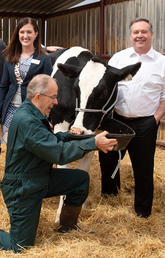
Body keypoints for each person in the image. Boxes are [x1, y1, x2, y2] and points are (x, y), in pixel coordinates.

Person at [0, 74, 117, 253]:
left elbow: (48, 140)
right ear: (38, 97)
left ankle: (68, 226)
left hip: (38, 178)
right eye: (53, 97)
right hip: (22, 188)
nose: (56, 102)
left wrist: (71, 136)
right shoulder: (28, 120)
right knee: (20, 247)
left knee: (80, 180)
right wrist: (92, 143)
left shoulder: (32, 112)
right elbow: (58, 153)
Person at [99, 17, 165, 218]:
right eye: (136, 32)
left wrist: (155, 118)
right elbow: (105, 90)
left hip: (146, 123)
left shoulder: (162, 63)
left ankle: (142, 211)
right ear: (130, 36)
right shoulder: (118, 59)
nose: (140, 36)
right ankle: (110, 200)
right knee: (108, 160)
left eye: (144, 32)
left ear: (151, 35)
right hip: (117, 120)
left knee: (143, 168)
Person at [0, 17, 52, 143]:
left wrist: (46, 116)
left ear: (36, 34)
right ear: (18, 34)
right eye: (22, 32)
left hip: (32, 112)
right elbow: (4, 85)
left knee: (27, 146)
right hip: (10, 111)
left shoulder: (44, 59)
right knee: (9, 145)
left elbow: (48, 91)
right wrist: (1, 108)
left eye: (29, 32)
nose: (25, 36)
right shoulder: (9, 56)